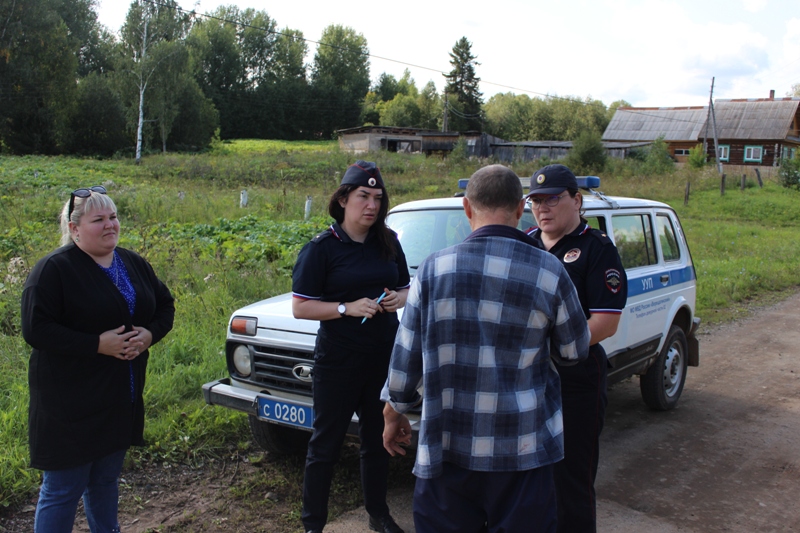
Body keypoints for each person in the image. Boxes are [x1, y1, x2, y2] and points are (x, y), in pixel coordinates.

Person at [381, 164, 591, 533]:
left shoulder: (432, 270)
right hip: (523, 452)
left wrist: (393, 412)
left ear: (467, 208)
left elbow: (406, 356)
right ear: (518, 210)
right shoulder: (551, 270)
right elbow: (574, 351)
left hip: (446, 449)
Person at [21, 185, 175, 533]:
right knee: (62, 489)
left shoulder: (133, 262)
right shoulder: (53, 271)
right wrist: (96, 344)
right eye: (98, 220)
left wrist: (150, 334)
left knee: (105, 482)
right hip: (69, 406)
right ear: (73, 228)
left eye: (113, 217)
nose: (110, 225)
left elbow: (164, 305)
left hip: (120, 398)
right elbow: (36, 329)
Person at [292, 161, 410, 533]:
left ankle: (378, 513)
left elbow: (406, 287)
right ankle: (313, 524)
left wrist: (397, 298)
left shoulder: (388, 242)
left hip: (382, 359)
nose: (371, 205)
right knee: (324, 446)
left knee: (377, 441)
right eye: (363, 196)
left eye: (377, 198)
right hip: (338, 362)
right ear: (343, 199)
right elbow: (301, 307)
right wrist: (346, 308)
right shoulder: (322, 249)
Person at [524, 164, 628, 533]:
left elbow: (606, 321)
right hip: (529, 379)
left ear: (577, 201)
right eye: (535, 200)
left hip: (576, 378)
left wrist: (548, 344)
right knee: (531, 479)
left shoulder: (596, 249)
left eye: (552, 198)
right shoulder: (526, 242)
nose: (542, 207)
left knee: (572, 480)